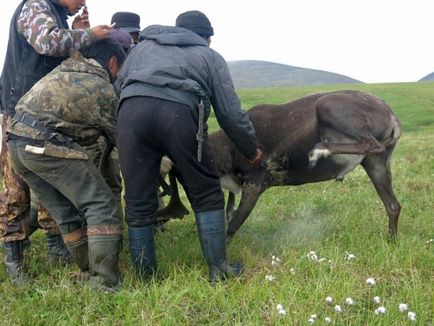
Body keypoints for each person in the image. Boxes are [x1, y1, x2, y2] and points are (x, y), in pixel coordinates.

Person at [116, 10, 262, 282]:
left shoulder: (142, 47)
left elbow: (118, 86)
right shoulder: (209, 56)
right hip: (179, 114)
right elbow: (230, 112)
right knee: (206, 192)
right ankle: (219, 271)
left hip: (130, 113)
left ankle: (146, 278)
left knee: (137, 198)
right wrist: (250, 148)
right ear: (206, 37)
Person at [0, 0, 112, 283]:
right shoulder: (35, 6)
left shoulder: (57, 15)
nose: (83, 4)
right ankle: (14, 261)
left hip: (46, 117)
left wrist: (76, 34)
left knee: (53, 188)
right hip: (18, 113)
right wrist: (91, 35)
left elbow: (64, 59)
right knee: (16, 191)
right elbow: (47, 43)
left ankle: (57, 250)